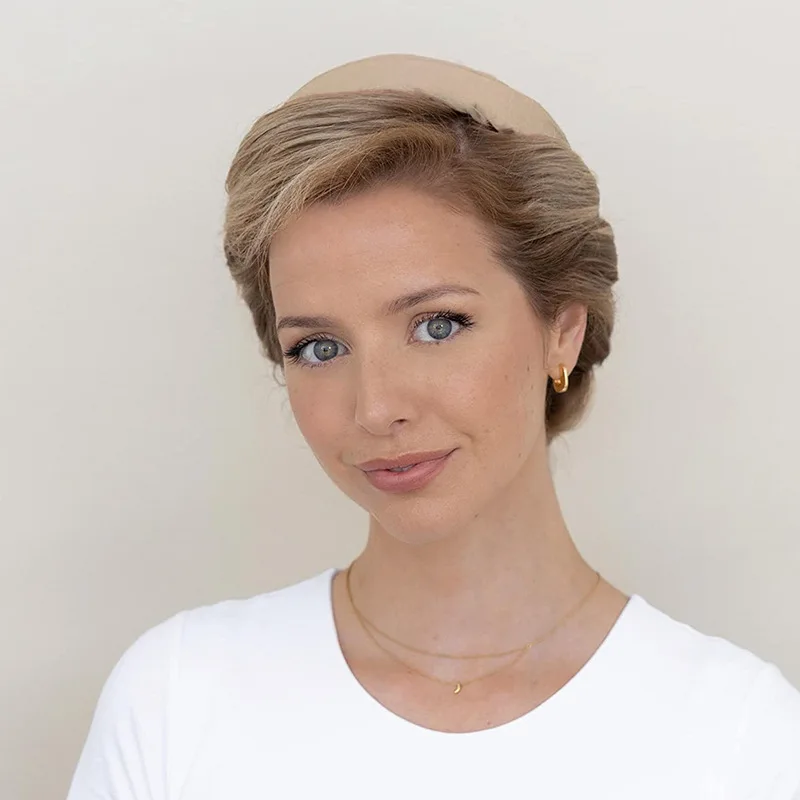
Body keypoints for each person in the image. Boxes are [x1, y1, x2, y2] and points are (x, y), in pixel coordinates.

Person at [67, 54, 800, 799]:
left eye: (438, 325)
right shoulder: (177, 697)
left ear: (562, 331)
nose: (375, 407)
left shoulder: (740, 736)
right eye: (319, 348)